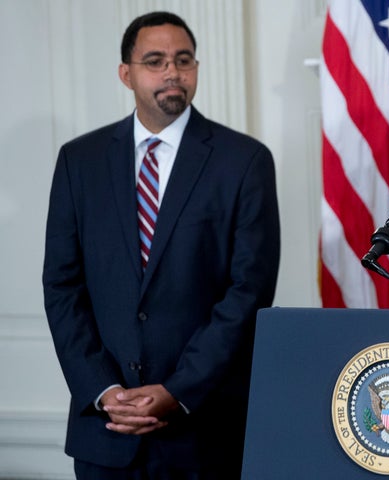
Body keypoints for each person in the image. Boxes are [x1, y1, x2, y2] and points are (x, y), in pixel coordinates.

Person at [42, 11, 280, 479]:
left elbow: (247, 292)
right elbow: (62, 287)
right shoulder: (79, 161)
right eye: (155, 61)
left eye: (183, 59)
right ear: (126, 73)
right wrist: (104, 389)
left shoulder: (245, 161)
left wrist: (179, 389)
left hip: (204, 428)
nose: (172, 71)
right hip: (105, 429)